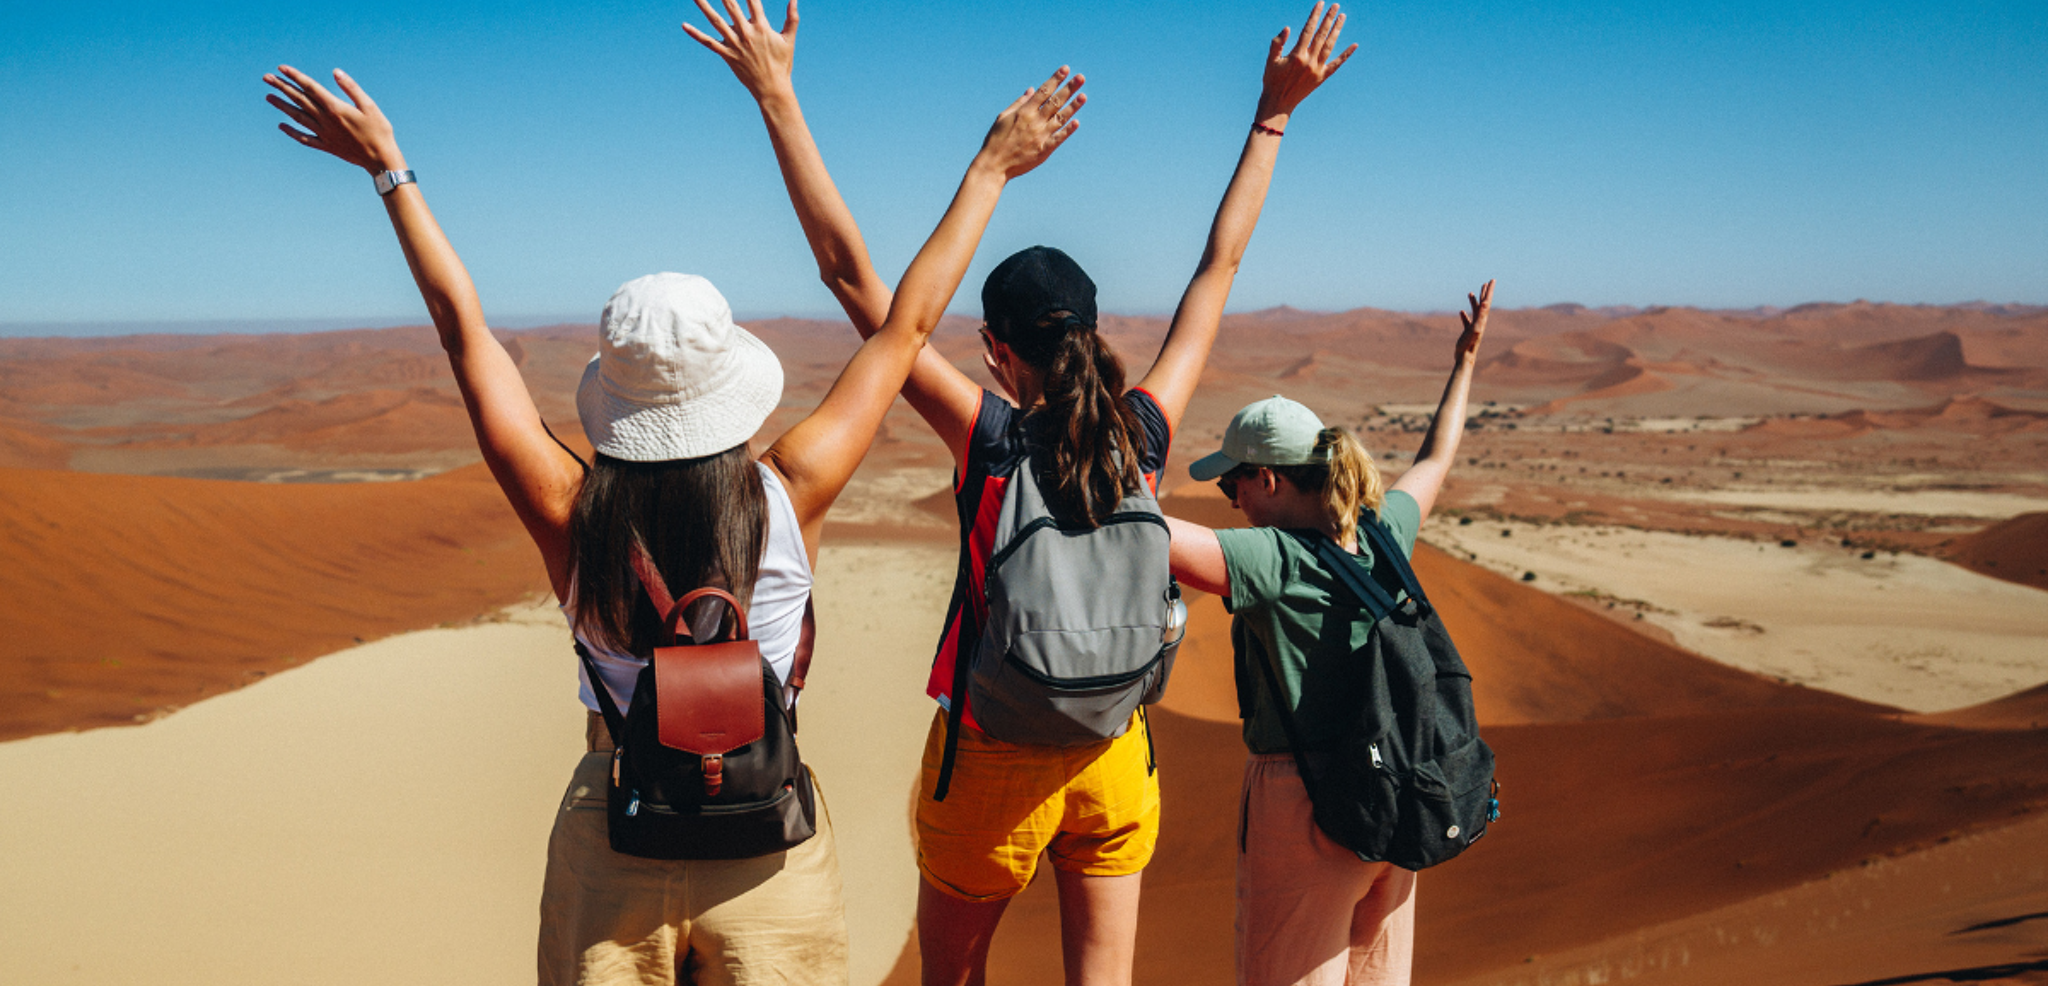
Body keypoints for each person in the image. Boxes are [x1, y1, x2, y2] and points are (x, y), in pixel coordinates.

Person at [262, 55, 1085, 986]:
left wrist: (390, 169)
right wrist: (990, 170)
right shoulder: (794, 487)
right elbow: (907, 326)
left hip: (616, 837)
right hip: (769, 847)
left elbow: (464, 333)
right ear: (732, 388)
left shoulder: (569, 510)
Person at [683, 3, 1355, 983]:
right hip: (1113, 756)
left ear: (996, 351)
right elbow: (1220, 268)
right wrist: (1272, 116)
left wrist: (778, 95)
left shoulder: (989, 437)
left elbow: (851, 279)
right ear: (1095, 333)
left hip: (988, 760)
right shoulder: (1145, 434)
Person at [1163, 282, 1494, 986]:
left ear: (1269, 480)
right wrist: (1464, 364)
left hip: (1303, 805)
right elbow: (1434, 461)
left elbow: (1144, 537)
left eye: (1232, 486)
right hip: (1397, 792)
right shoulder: (1383, 534)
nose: (1233, 503)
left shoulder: (1274, 557)